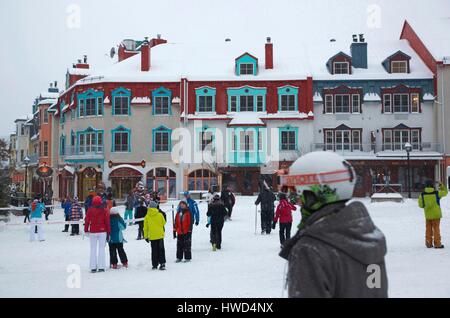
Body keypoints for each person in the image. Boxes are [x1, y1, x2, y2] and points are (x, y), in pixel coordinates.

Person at [280, 152, 388, 298]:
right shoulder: (367, 237)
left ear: (313, 195)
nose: (297, 201)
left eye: (298, 193)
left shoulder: (310, 249)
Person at [418, 180, 448, 249]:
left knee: (428, 229)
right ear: (432, 186)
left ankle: (428, 243)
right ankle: (437, 244)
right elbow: (445, 192)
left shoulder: (422, 195)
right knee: (436, 229)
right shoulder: (437, 193)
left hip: (428, 215)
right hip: (436, 215)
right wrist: (441, 185)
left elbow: (421, 205)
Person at [84, 196, 111, 273]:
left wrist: (86, 230)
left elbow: (87, 220)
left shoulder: (90, 210)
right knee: (101, 249)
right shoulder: (104, 210)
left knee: (93, 249)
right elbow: (107, 221)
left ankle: (93, 267)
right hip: (102, 231)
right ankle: (101, 267)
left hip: (93, 231)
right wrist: (109, 232)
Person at [144, 201, 167, 270]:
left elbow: (145, 228)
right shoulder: (160, 215)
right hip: (160, 235)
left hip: (152, 236)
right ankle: (162, 264)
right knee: (161, 250)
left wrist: (146, 236)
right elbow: (164, 223)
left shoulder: (147, 216)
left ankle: (154, 264)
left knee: (154, 251)